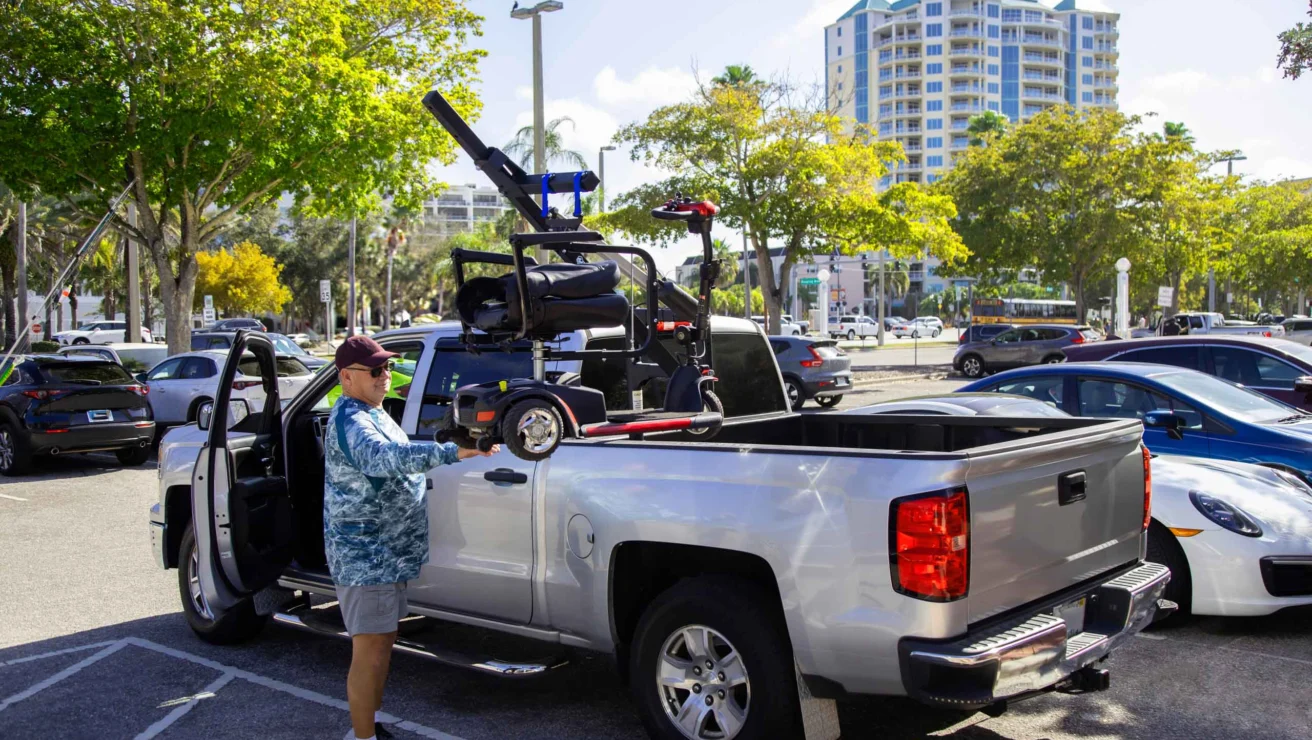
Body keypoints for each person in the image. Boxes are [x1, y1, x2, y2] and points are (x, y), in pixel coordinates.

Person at [324, 335, 499, 740]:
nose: (385, 376)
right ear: (346, 377)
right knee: (369, 651)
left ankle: (370, 727)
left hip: (385, 555)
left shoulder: (372, 412)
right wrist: (452, 451)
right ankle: (363, 736)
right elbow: (385, 460)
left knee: (381, 642)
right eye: (375, 370)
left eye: (386, 368)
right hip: (367, 557)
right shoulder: (352, 420)